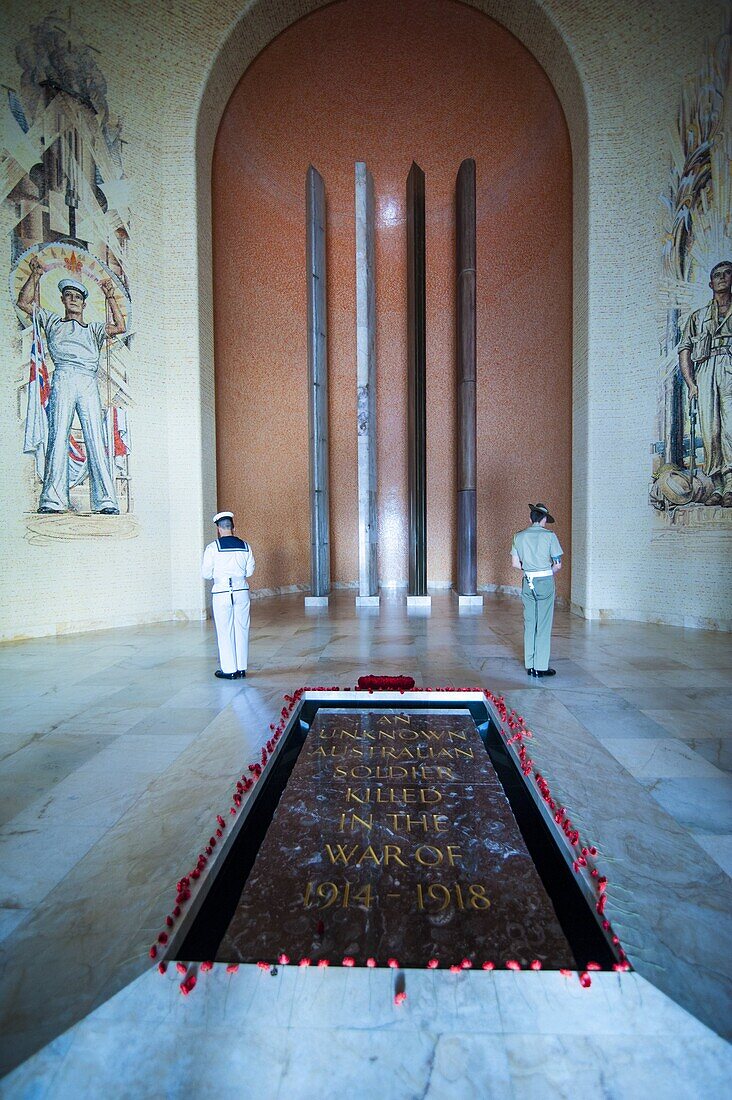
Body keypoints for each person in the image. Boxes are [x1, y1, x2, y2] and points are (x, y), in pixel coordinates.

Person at [17, 255, 126, 514]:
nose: (74, 299)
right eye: (69, 295)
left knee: (95, 439)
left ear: (84, 303)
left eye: (78, 296)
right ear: (63, 300)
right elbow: (23, 302)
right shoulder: (53, 321)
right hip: (63, 377)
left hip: (87, 380)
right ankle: (53, 500)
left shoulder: (94, 329)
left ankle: (106, 501)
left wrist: (110, 296)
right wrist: (35, 275)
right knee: (58, 436)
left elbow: (120, 326)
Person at [678, 259, 732, 507]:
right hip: (707, 370)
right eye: (718, 275)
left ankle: (731, 484)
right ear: (710, 283)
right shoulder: (698, 317)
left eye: (728, 273)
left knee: (731, 427)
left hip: (730, 366)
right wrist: (691, 383)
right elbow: (685, 350)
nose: (723, 277)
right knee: (711, 430)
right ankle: (718, 486)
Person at [511, 503, 563, 678]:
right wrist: (547, 571)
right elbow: (557, 565)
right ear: (544, 520)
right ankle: (540, 666)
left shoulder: (518, 536)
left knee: (530, 622)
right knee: (543, 623)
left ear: (530, 519)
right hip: (545, 581)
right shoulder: (550, 536)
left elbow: (515, 564)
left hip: (528, 581)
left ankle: (530, 665)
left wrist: (530, 569)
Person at [201, 511, 255, 679]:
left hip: (222, 591)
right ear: (233, 527)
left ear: (218, 529)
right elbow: (250, 571)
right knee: (242, 628)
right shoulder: (246, 546)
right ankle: (241, 668)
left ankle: (229, 669)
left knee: (225, 631)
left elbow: (206, 573)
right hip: (241, 591)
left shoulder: (212, 548)